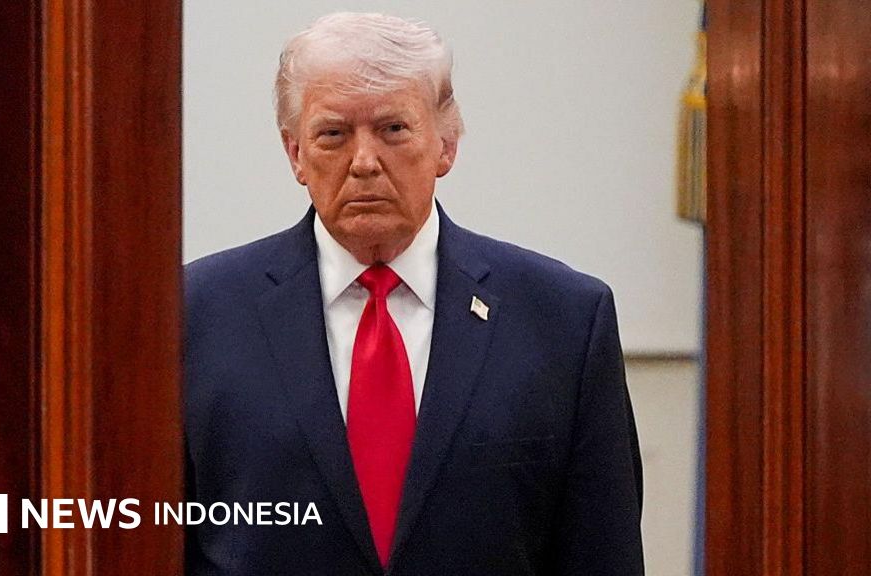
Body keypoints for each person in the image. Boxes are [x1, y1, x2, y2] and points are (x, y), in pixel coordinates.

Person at [183, 12, 644, 575]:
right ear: (295, 153)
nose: (364, 162)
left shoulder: (564, 321)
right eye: (333, 134)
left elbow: (603, 550)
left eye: (393, 129)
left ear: (446, 145)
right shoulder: (196, 315)